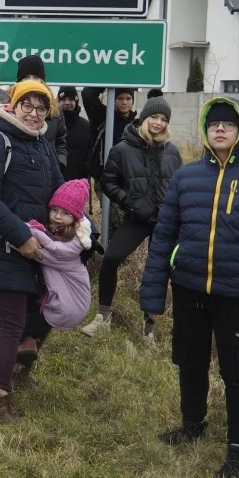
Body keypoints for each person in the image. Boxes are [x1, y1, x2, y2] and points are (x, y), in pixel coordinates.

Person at [140, 97, 239, 478]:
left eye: (228, 124)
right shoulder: (186, 178)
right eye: (213, 124)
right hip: (188, 288)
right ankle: (193, 424)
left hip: (236, 295)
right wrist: (153, 294)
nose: (219, 129)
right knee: (189, 361)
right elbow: (163, 236)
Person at [0, 79, 63, 423]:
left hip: (35, 246)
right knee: (10, 324)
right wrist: (20, 236)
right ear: (14, 105)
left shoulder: (42, 145)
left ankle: (2, 363)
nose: (35, 114)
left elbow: (57, 191)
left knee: (44, 316)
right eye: (28, 106)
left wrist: (76, 225)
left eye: (41, 108)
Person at [80, 96, 183, 342]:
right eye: (154, 117)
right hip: (137, 218)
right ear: (143, 118)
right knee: (111, 259)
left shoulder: (172, 152)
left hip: (165, 221)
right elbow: (108, 182)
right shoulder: (122, 149)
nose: (158, 123)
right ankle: (103, 316)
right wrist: (131, 202)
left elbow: (181, 184)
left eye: (163, 119)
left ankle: (149, 330)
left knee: (159, 271)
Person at [0, 179, 93, 369]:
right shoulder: (61, 231)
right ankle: (26, 347)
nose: (57, 216)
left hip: (69, 304)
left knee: (18, 326)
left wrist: (10, 230)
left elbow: (41, 252)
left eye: (65, 213)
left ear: (76, 218)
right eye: (54, 210)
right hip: (64, 300)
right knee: (30, 324)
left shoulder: (71, 245)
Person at [16, 55, 68, 173]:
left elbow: (61, 143)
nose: (32, 81)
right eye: (27, 77)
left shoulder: (55, 110)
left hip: (47, 174)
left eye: (36, 77)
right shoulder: (9, 106)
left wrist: (59, 166)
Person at [81, 84, 137, 181]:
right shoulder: (103, 116)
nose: (124, 102)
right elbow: (87, 94)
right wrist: (109, 79)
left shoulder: (137, 125)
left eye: (128, 98)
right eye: (120, 98)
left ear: (132, 101)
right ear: (114, 100)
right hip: (105, 178)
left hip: (129, 179)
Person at [56, 86, 92, 181]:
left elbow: (90, 155)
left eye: (71, 99)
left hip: (79, 182)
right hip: (55, 181)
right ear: (58, 101)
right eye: (63, 99)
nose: (67, 103)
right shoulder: (52, 124)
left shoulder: (86, 126)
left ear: (76, 101)